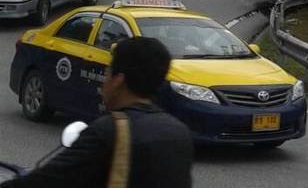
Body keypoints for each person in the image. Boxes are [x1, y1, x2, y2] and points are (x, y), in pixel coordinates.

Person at [2, 38, 193, 188]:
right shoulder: (179, 132)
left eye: (108, 72)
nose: (104, 81)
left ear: (118, 80)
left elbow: (47, 180)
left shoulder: (111, 131)